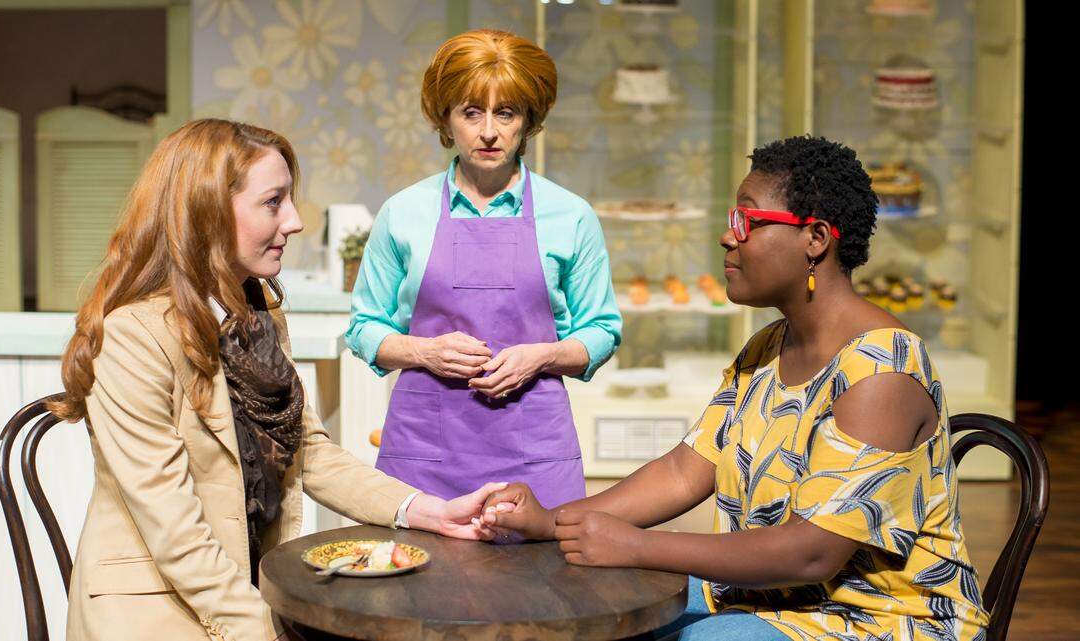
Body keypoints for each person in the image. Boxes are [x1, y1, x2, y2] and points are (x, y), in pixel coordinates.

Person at [481, 136, 990, 640]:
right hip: (777, 597)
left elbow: (814, 552)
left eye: (746, 221)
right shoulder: (766, 348)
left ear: (815, 239)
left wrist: (637, 546)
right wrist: (552, 522)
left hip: (887, 621)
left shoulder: (883, 371)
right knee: (600, 601)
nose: (728, 238)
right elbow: (683, 473)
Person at [50, 119, 503, 641]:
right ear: (208, 212)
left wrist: (432, 511)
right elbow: (173, 531)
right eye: (273, 202)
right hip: (155, 611)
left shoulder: (258, 316)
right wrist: (268, 630)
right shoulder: (133, 336)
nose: (294, 221)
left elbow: (308, 452)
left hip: (239, 591)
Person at [345, 29, 622, 510]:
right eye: (471, 112)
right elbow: (364, 327)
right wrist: (424, 351)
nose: (489, 131)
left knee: (540, 581)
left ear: (528, 121)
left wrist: (540, 357)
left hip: (533, 446)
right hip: (424, 449)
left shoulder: (571, 215)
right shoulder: (403, 212)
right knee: (417, 578)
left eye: (506, 113)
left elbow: (601, 330)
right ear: (446, 120)